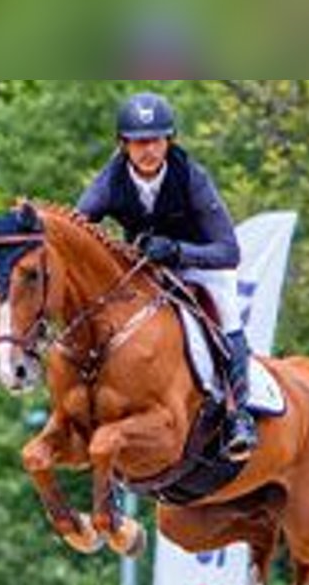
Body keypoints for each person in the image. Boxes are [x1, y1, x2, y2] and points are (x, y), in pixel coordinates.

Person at [76, 91, 257, 461]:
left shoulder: (191, 176)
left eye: (157, 140)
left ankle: (239, 415)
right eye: (139, 142)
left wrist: (177, 251)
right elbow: (78, 229)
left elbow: (229, 251)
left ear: (169, 140)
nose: (149, 150)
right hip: (145, 268)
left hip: (201, 264)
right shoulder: (110, 181)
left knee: (227, 313)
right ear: (123, 144)